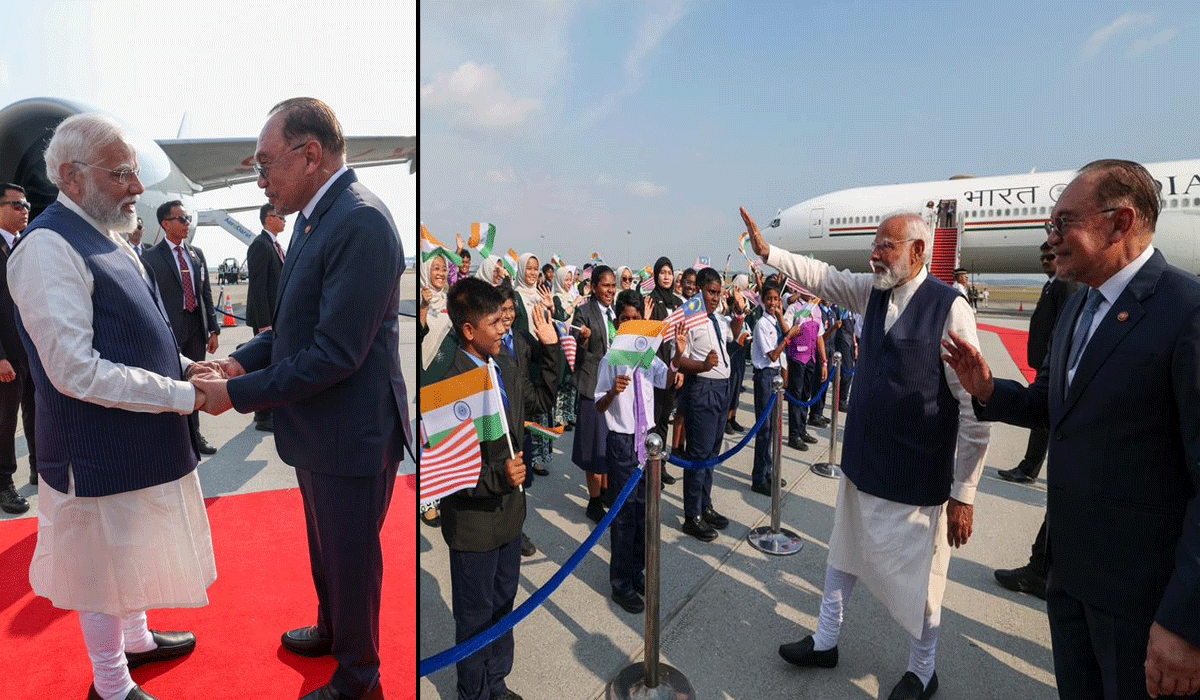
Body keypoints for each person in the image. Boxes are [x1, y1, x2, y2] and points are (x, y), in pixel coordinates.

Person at [942, 159, 1200, 700]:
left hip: (1142, 603)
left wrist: (1185, 621)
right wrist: (988, 390)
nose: (1051, 237)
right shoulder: (1079, 303)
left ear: (1120, 222)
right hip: (1071, 582)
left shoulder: (1186, 311)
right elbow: (1054, 406)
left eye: (1064, 223)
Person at [193, 97, 411, 700]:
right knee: (327, 548)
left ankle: (360, 680)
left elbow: (334, 353)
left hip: (351, 433)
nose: (260, 180)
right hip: (321, 429)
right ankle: (334, 630)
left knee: (351, 560)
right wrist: (240, 360)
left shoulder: (361, 222)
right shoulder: (317, 220)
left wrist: (234, 394)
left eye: (266, 164)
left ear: (310, 155)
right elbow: (292, 328)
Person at [743, 206, 990, 700]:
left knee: (924, 584)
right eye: (874, 245)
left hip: (917, 475)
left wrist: (964, 491)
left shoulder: (950, 308)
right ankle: (826, 640)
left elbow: (975, 407)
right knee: (842, 555)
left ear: (918, 251)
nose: (874, 255)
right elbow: (823, 277)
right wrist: (770, 253)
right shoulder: (871, 291)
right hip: (862, 464)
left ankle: (923, 671)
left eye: (885, 246)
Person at [11, 113, 216, 700]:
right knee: (101, 567)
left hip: (134, 438)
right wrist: (182, 396)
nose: (137, 187)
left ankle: (137, 639)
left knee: (131, 548)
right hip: (93, 449)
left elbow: (142, 329)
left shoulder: (107, 235)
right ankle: (110, 683)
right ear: (71, 177)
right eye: (121, 173)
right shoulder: (48, 247)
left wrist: (186, 366)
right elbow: (74, 370)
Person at [440, 277, 560, 700]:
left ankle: (496, 682)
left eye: (504, 320)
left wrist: (551, 351)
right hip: (474, 527)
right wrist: (498, 476)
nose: (504, 328)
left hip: (510, 517)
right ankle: (472, 692)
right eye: (494, 322)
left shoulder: (503, 365)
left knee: (503, 606)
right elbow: (449, 471)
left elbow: (539, 402)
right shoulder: (450, 383)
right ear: (469, 330)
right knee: (474, 617)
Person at [595, 290, 677, 614]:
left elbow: (667, 379)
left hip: (647, 440)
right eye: (625, 319)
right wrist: (612, 394)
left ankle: (636, 570)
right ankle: (620, 583)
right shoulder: (611, 359)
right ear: (617, 324)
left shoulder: (646, 356)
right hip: (622, 442)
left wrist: (679, 356)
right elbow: (598, 404)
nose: (630, 324)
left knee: (644, 512)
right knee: (624, 515)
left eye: (635, 319)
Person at [141, 200, 220, 455]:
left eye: (188, 219)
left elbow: (205, 292)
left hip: (196, 326)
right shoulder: (151, 257)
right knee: (171, 383)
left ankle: (195, 435)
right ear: (166, 224)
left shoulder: (196, 254)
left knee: (197, 381)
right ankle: (174, 437)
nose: (188, 224)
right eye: (182, 219)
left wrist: (213, 329)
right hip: (169, 330)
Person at [996, 241, 1078, 485]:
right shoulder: (1052, 284)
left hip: (1053, 364)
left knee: (1044, 416)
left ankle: (1030, 468)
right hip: (1045, 362)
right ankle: (1031, 468)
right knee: (1047, 417)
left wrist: (1054, 360)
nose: (1045, 261)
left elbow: (1064, 326)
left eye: (1050, 257)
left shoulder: (1064, 285)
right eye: (1042, 258)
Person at [675, 266, 742, 542]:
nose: (715, 297)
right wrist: (702, 365)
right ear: (699, 290)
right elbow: (679, 361)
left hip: (722, 389)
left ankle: (705, 505)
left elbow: (733, 338)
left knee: (712, 453)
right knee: (699, 454)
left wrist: (739, 314)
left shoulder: (719, 319)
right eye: (711, 292)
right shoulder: (689, 319)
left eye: (718, 293)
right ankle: (692, 515)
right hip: (702, 389)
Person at [572, 264, 618, 522]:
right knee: (593, 446)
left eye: (613, 286)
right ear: (593, 287)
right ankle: (594, 499)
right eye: (605, 285)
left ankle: (608, 491)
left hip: (614, 387)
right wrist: (585, 338)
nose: (610, 290)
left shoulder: (615, 312)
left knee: (610, 443)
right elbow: (575, 341)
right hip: (593, 387)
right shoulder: (584, 312)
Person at [0, 183, 35, 507]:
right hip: (8, 353)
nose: (24, 210)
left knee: (40, 413)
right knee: (5, 420)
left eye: (26, 205)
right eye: (16, 205)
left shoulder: (27, 246)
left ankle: (41, 470)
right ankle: (4, 483)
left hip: (34, 349)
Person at [750, 281, 800, 495]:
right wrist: (787, 338)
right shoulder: (762, 324)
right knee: (764, 429)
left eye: (776, 299)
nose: (773, 303)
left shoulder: (775, 321)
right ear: (762, 300)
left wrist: (781, 319)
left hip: (776, 375)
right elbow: (772, 355)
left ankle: (769, 470)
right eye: (769, 299)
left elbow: (787, 332)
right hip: (765, 376)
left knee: (773, 429)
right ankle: (758, 477)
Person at [244, 202, 287, 432]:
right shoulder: (260, 245)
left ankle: (268, 409)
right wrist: (263, 324)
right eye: (281, 217)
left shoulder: (275, 245)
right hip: (267, 321)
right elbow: (258, 287)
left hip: (276, 318)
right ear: (269, 219)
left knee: (273, 364)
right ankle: (263, 415)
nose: (284, 221)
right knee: (264, 366)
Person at [644, 256, 681, 485]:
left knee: (665, 417)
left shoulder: (677, 303)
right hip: (655, 368)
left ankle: (661, 465)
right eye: (662, 272)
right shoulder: (650, 301)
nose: (666, 277)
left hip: (673, 368)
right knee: (653, 419)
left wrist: (679, 368)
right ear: (656, 275)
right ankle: (648, 466)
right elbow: (646, 334)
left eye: (669, 272)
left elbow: (682, 337)